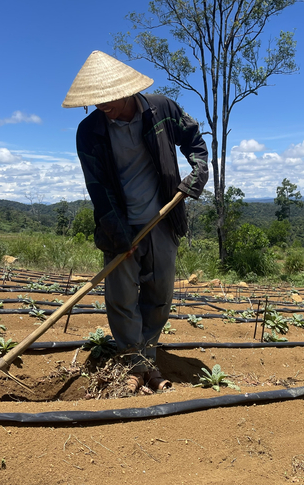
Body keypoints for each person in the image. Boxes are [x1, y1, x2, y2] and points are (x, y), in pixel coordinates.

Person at [63, 50, 209, 393]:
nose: (103, 107)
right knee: (121, 298)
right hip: (119, 226)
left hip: (162, 219)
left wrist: (197, 172)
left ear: (126, 89)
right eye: (96, 102)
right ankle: (138, 366)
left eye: (109, 100)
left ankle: (143, 361)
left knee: (158, 296)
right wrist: (119, 236)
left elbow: (195, 143)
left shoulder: (161, 109)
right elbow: (97, 188)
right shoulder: (90, 132)